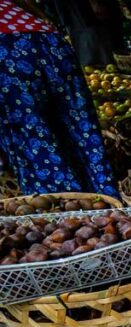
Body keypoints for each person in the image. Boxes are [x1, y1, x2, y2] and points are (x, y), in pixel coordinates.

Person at [0, 0, 117, 195]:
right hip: (51, 43)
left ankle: (68, 214)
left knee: (37, 149)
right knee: (84, 137)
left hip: (8, 57)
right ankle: (107, 202)